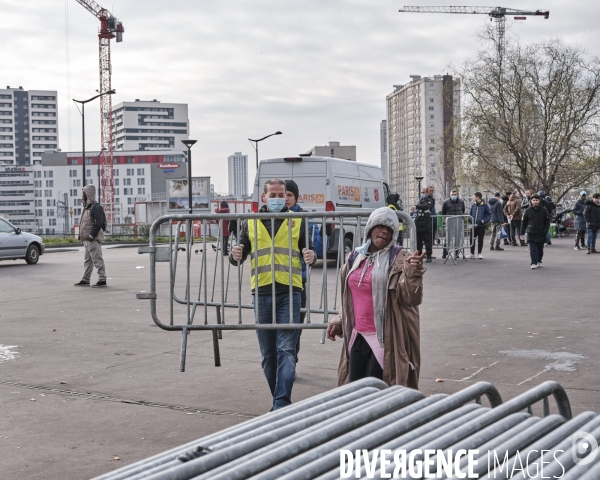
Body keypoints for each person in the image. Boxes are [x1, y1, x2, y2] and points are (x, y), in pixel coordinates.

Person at [230, 178, 316, 410]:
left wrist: (311, 256)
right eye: (274, 195)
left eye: (282, 194)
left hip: (291, 292)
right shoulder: (251, 222)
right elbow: (239, 254)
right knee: (268, 355)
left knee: (286, 350)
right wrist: (235, 254)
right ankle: (279, 400)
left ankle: (281, 404)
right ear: (264, 197)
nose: (278, 199)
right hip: (262, 292)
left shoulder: (297, 220)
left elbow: (310, 250)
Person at [326, 207, 426, 388]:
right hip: (357, 335)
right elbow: (349, 297)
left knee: (377, 392)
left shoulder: (400, 259)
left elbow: (410, 298)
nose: (385, 232)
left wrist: (413, 272)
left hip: (384, 338)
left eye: (390, 230)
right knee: (354, 391)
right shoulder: (354, 257)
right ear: (370, 228)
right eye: (381, 226)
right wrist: (340, 320)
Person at [284, 180, 326, 362]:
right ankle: (283, 360)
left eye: (289, 195)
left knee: (296, 324)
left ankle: (292, 358)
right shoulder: (268, 217)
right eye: (281, 195)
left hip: (297, 279)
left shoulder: (305, 218)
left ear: (296, 197)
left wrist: (312, 256)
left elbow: (314, 246)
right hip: (273, 280)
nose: (285, 199)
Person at [74, 184, 107, 288]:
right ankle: (86, 279)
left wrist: (92, 235)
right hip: (87, 239)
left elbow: (100, 223)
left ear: (89, 195)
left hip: (92, 239)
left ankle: (102, 280)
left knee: (97, 259)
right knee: (87, 260)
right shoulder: (87, 207)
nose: (82, 196)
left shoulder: (95, 207)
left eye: (84, 194)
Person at [520, 194, 550, 269]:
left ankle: (539, 260)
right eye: (534, 200)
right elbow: (524, 223)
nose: (535, 202)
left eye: (537, 200)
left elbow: (547, 221)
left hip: (541, 233)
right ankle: (533, 262)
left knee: (540, 249)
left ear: (539, 201)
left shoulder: (543, 210)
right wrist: (522, 233)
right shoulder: (527, 211)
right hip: (531, 232)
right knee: (533, 249)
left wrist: (545, 231)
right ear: (531, 201)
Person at [441, 188, 465, 259]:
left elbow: (463, 210)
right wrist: (447, 218)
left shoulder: (461, 201)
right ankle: (445, 253)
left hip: (458, 222)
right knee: (448, 238)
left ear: (457, 195)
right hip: (450, 222)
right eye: (452, 195)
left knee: (458, 238)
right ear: (450, 195)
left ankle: (456, 253)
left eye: (455, 194)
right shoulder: (446, 202)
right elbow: (443, 212)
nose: (454, 196)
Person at [466, 192, 491, 259]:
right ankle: (472, 253)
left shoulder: (485, 205)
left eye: (474, 197)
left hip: (481, 226)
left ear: (478, 197)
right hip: (473, 225)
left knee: (480, 239)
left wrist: (484, 220)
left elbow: (489, 214)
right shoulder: (473, 205)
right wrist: (470, 220)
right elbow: (470, 213)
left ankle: (479, 253)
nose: (473, 198)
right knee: (472, 239)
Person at [414, 189, 435, 262]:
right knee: (418, 240)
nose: (422, 194)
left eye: (424, 192)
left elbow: (426, 206)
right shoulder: (421, 200)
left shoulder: (430, 200)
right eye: (422, 192)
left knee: (427, 240)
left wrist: (417, 206)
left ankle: (428, 255)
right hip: (419, 221)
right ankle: (419, 255)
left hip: (426, 222)